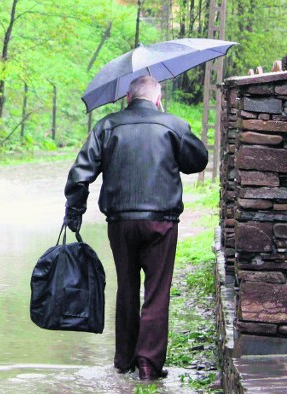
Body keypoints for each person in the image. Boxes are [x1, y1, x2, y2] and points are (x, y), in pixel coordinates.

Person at [63, 75, 208, 380]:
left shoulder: (107, 125)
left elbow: (79, 174)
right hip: (162, 221)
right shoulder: (173, 124)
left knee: (127, 287)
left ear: (127, 98)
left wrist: (74, 210)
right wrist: (169, 123)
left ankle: (124, 359)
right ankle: (148, 364)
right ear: (157, 98)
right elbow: (197, 161)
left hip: (121, 222)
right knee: (157, 291)